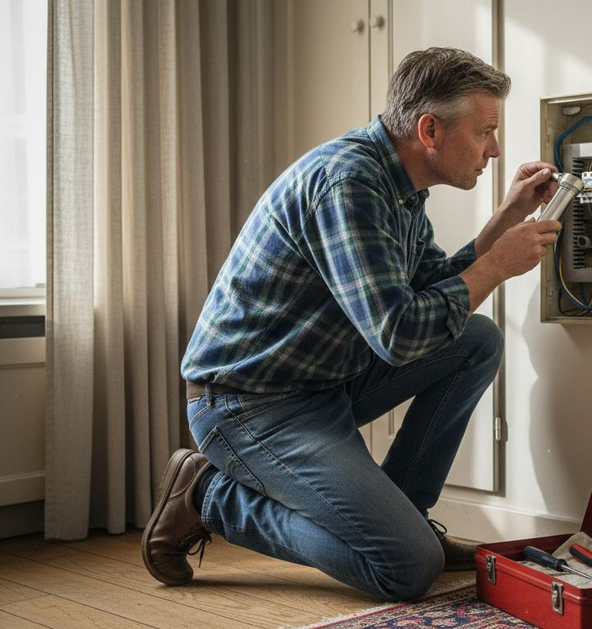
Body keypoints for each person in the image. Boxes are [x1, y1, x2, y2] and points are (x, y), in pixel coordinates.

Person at [141, 47, 562, 601]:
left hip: (321, 384)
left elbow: (427, 285)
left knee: (475, 339)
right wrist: (497, 265)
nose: (496, 149)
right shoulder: (349, 183)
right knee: (407, 569)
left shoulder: (400, 186)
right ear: (429, 129)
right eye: (485, 131)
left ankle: (406, 517)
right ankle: (210, 496)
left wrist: (504, 219)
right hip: (248, 403)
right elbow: (398, 334)